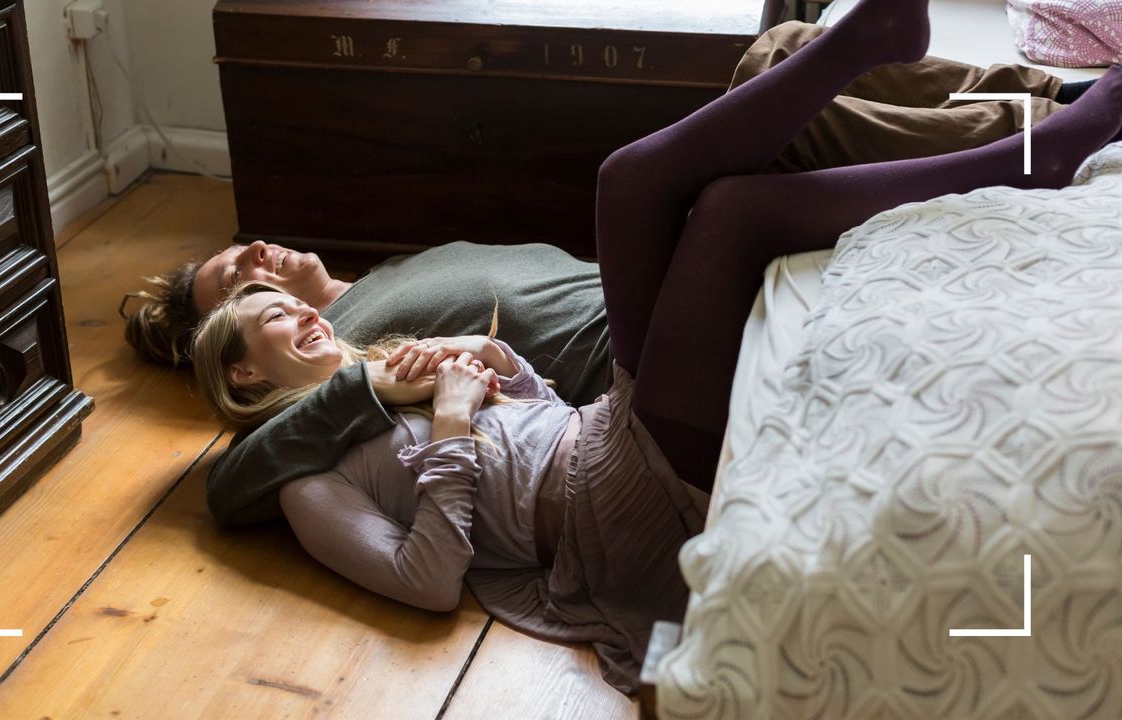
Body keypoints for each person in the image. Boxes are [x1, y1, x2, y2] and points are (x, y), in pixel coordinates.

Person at [188, 0, 1122, 693]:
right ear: (239, 367)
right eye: (260, 302)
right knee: (700, 198)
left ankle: (997, 103)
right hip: (606, 512)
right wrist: (452, 421)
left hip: (601, 430)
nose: (290, 300)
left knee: (687, 178)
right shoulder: (307, 477)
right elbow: (429, 582)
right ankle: (1051, 133)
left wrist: (488, 368)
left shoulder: (378, 356)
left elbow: (539, 407)